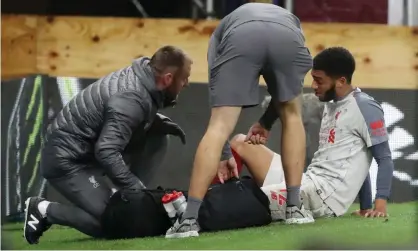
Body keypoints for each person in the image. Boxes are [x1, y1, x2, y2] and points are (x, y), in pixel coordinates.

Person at [166, 2, 314, 238]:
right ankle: (295, 209)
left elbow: (217, 106)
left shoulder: (221, 32)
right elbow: (284, 95)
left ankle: (188, 220)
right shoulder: (291, 21)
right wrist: (266, 122)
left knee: (219, 125)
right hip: (288, 36)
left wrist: (226, 153)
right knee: (292, 115)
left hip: (241, 37)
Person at [23, 45, 193, 244]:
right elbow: (107, 151)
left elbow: (116, 117)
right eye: (185, 78)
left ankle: (131, 201)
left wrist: (155, 121)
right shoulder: (132, 97)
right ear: (168, 78)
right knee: (117, 223)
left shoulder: (144, 78)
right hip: (67, 161)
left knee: (158, 137)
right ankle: (44, 211)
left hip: (88, 149)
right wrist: (134, 188)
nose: (187, 83)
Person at [229, 46, 394, 220]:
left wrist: (379, 205)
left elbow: (384, 158)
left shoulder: (365, 107)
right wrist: (364, 206)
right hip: (306, 179)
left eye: (319, 80)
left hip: (321, 198)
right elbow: (359, 159)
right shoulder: (332, 104)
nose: (314, 85)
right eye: (313, 79)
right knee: (240, 142)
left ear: (341, 81)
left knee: (241, 201)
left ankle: (207, 208)